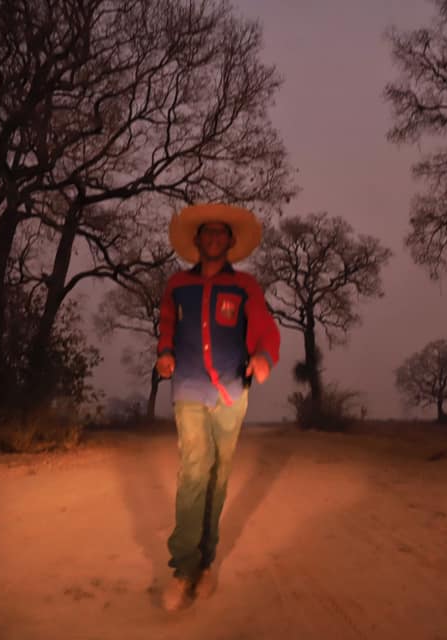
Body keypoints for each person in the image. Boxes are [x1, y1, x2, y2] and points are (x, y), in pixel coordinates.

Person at [155, 203, 281, 612]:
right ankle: (182, 569)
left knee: (218, 475)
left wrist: (263, 357)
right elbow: (167, 325)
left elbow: (264, 329)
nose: (213, 238)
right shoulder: (177, 285)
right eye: (206, 233)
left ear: (229, 242)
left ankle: (207, 563)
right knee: (194, 470)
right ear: (196, 241)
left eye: (220, 233)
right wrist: (165, 352)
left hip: (230, 391)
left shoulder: (246, 286)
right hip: (189, 385)